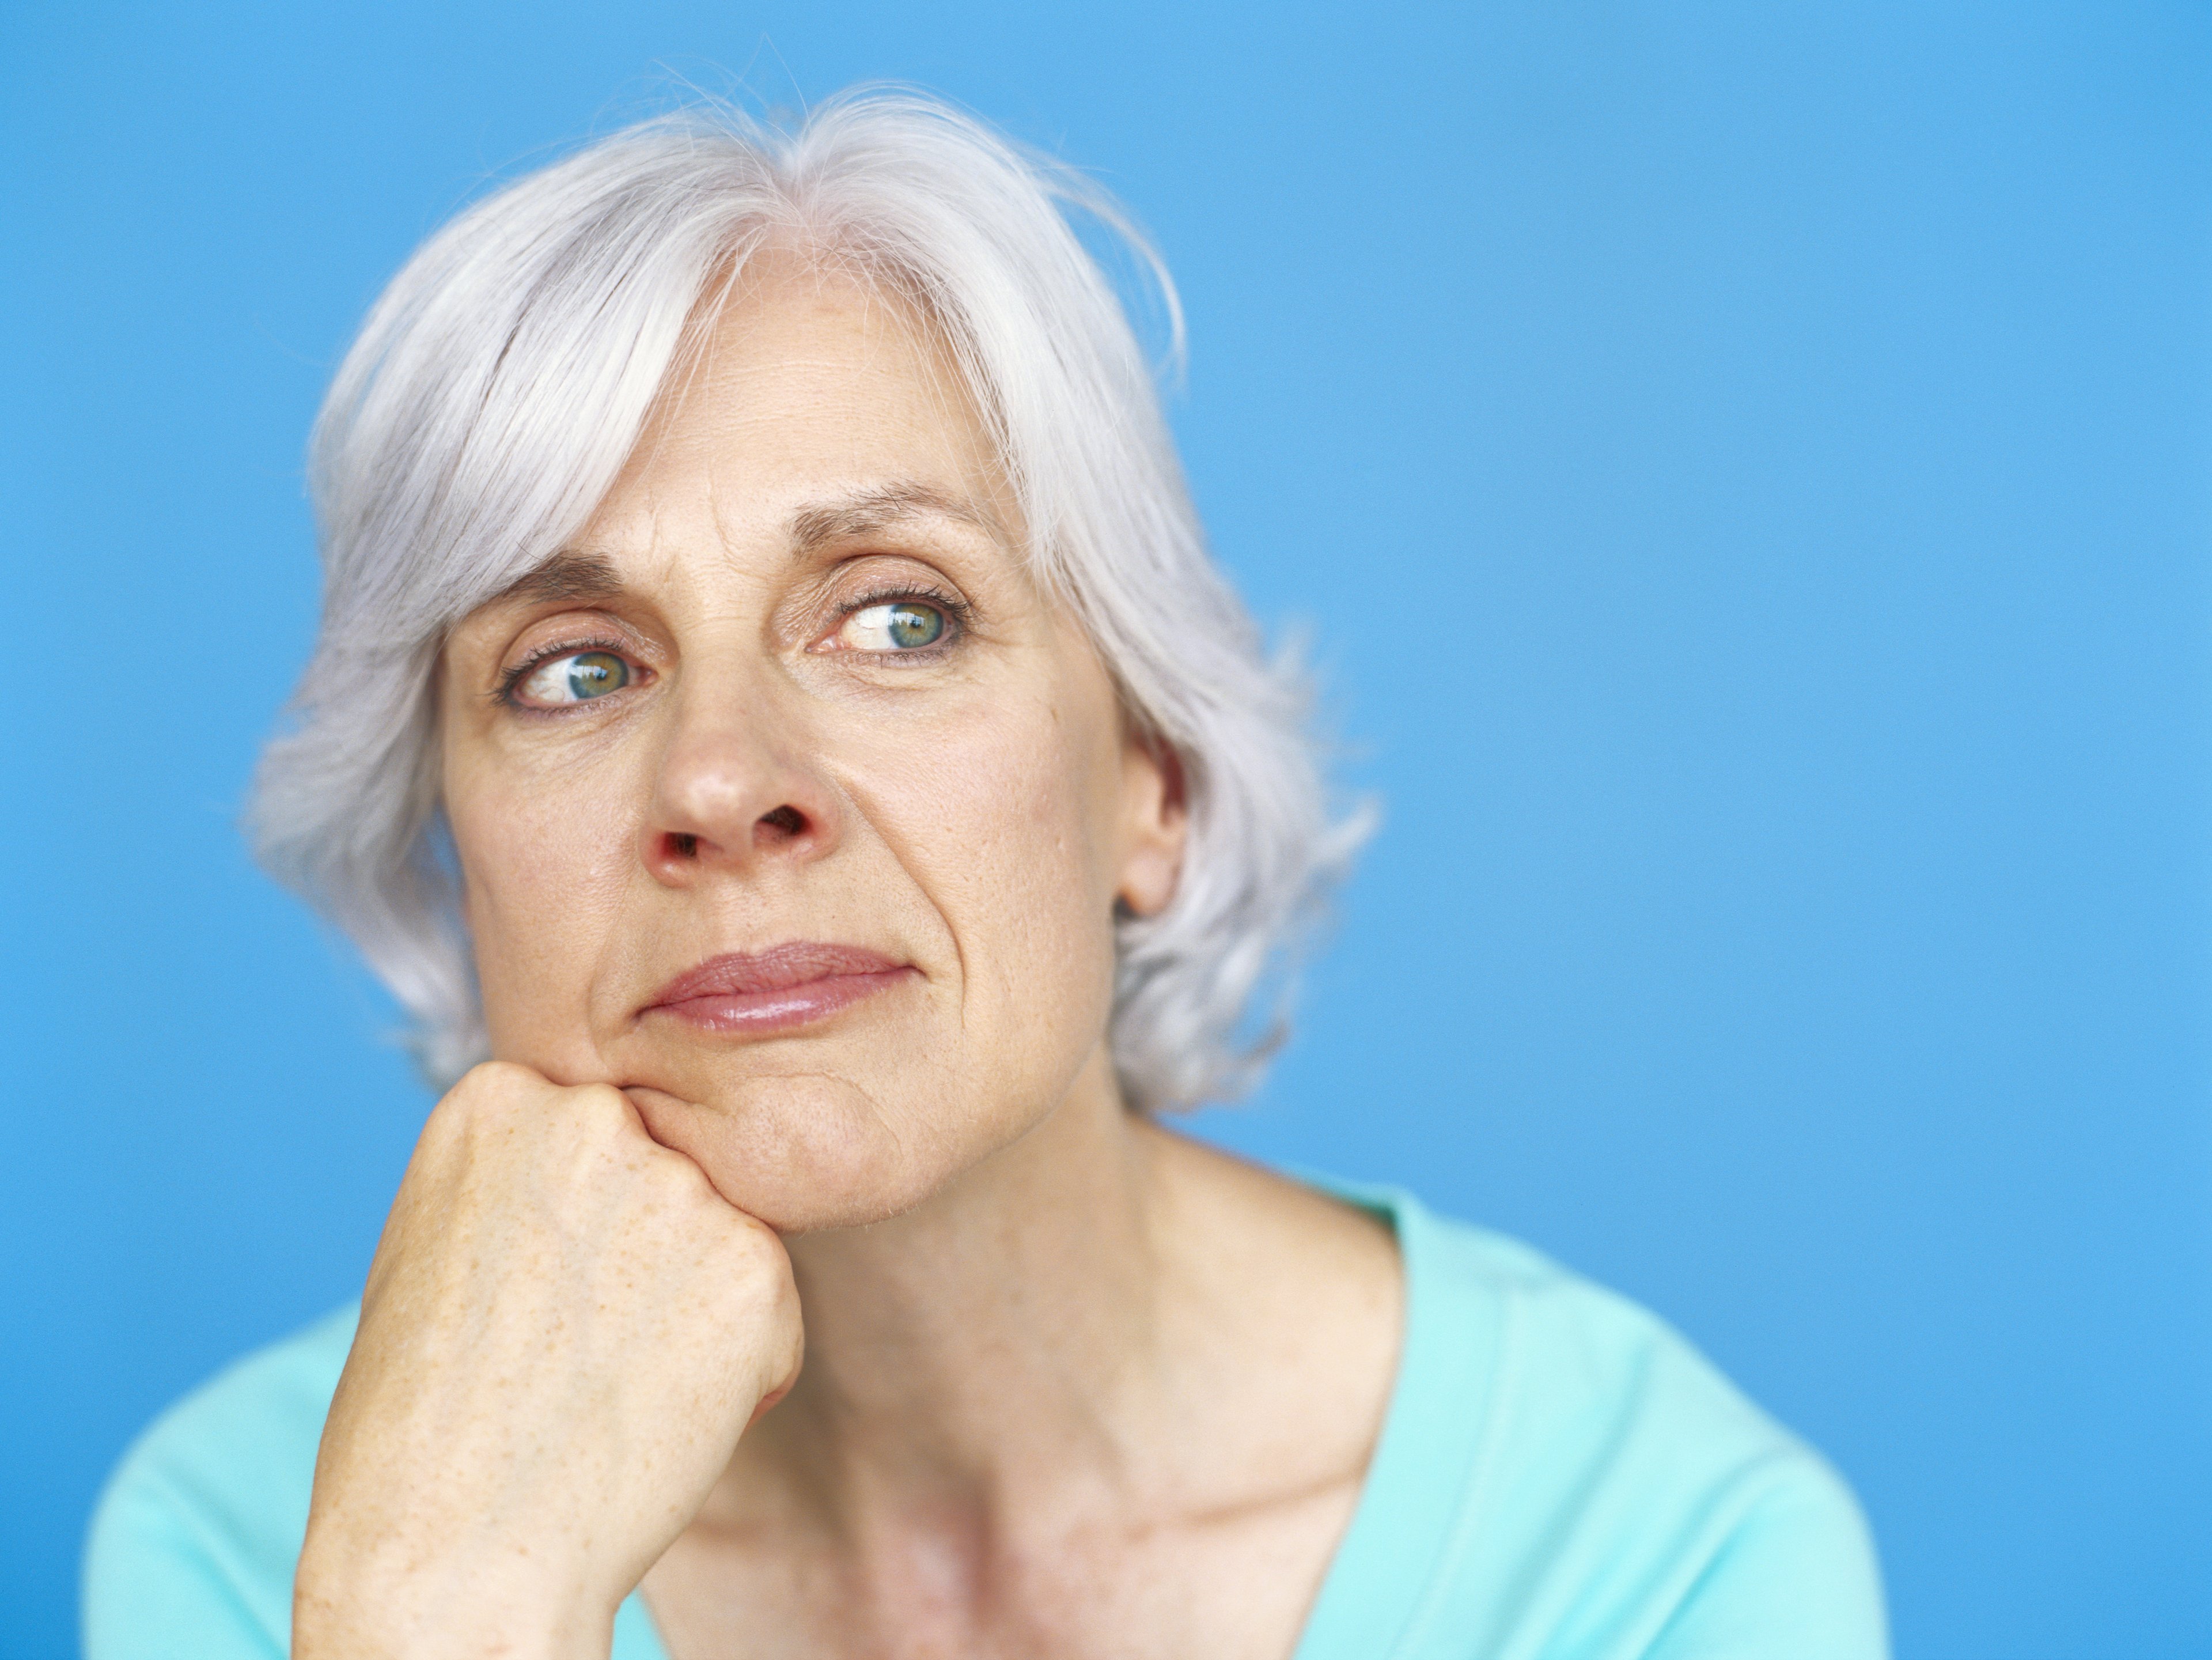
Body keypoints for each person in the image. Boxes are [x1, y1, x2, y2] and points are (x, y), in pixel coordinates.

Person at [84, 90, 1887, 1659]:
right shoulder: (259, 1546)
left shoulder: (1655, 1560)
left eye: (896, 617)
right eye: (575, 667)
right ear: (454, 848)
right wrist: (444, 1616)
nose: (717, 780)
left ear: (1151, 783)